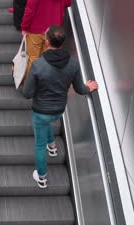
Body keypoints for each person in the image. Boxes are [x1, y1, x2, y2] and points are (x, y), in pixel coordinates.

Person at [23, 26, 98, 189]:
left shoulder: (38, 65)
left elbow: (27, 93)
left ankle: (41, 177)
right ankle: (53, 146)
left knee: (39, 144)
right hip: (58, 110)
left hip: (41, 111)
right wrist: (88, 87)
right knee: (47, 123)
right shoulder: (73, 63)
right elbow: (79, 89)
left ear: (47, 41)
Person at [21, 0, 72, 79]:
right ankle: (43, 86)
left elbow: (30, 9)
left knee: (33, 59)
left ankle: (30, 87)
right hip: (53, 31)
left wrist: (24, 27)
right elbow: (68, 2)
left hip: (35, 29)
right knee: (48, 60)